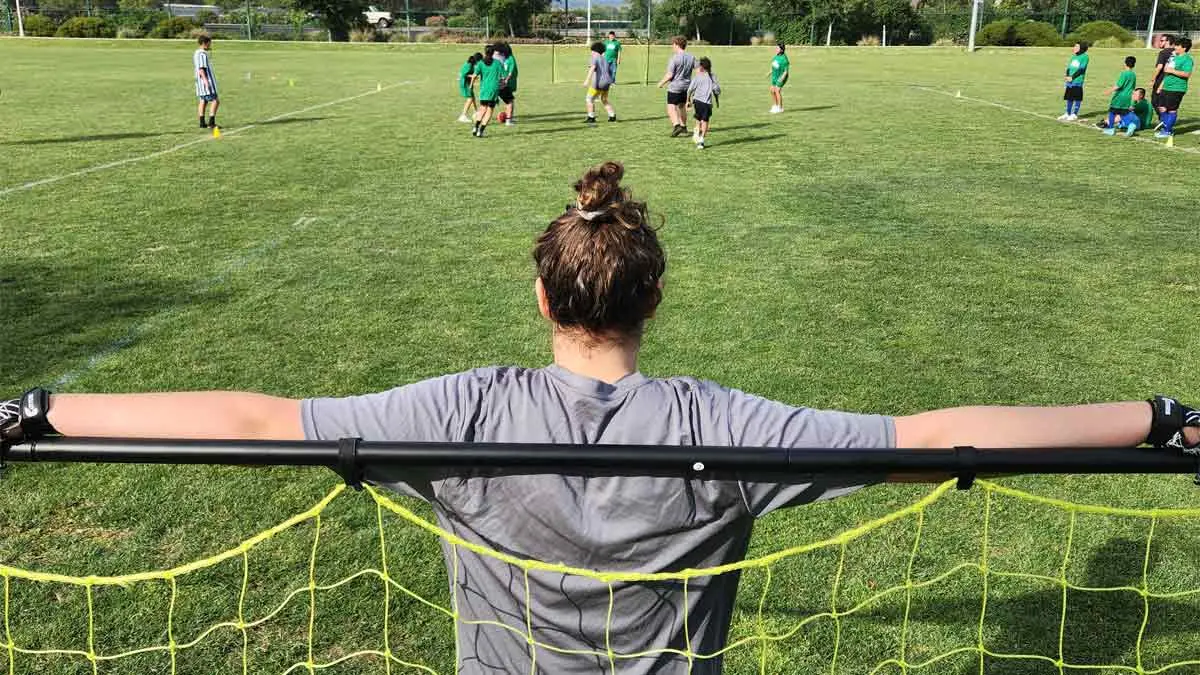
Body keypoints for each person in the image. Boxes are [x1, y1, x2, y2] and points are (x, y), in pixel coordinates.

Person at [4, 161, 1200, 675]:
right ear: (656, 298)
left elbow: (259, 418)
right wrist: (1152, 418)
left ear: (541, 293)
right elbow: (937, 434)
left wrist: (47, 408)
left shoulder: (463, 408)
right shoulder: (722, 423)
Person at [657, 36, 696, 137]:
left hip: (675, 87)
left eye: (673, 44)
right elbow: (698, 68)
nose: (672, 46)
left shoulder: (674, 58)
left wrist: (661, 83)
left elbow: (670, 75)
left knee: (671, 107)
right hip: (687, 87)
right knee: (682, 106)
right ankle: (683, 127)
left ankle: (676, 125)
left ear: (677, 45)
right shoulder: (691, 57)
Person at [1156, 37, 1193, 139]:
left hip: (1177, 88)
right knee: (1161, 108)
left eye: (1177, 45)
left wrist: (1172, 71)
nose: (1175, 47)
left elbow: (1187, 74)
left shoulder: (1187, 59)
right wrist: (1161, 86)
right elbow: (1167, 72)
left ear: (1184, 48)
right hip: (1166, 87)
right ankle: (1168, 128)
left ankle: (1167, 131)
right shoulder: (1173, 57)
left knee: (1172, 110)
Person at [687, 57, 720, 149]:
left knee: (698, 119)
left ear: (701, 67)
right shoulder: (713, 77)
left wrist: (688, 100)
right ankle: (701, 140)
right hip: (707, 103)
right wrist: (717, 98)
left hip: (697, 101)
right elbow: (717, 90)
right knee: (705, 120)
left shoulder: (698, 76)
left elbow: (689, 90)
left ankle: (696, 133)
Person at [471, 45, 502, 138]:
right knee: (489, 111)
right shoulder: (497, 63)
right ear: (493, 53)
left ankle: (475, 127)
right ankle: (481, 131)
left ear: (485, 52)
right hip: (493, 90)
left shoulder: (480, 63)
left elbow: (474, 75)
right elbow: (503, 75)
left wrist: (471, 85)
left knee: (482, 108)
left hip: (484, 90)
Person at [1101, 56, 1137, 135]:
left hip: (1119, 97)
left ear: (1125, 63)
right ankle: (1131, 125)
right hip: (1128, 97)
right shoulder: (1133, 75)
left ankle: (1111, 129)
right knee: (1124, 113)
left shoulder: (1124, 73)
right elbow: (1133, 88)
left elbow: (1118, 85)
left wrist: (1108, 91)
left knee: (1112, 112)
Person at [584, 41, 616, 124]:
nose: (591, 52)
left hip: (598, 83)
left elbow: (592, 68)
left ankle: (591, 117)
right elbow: (608, 70)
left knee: (589, 99)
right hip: (607, 82)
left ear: (594, 50)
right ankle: (612, 116)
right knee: (604, 99)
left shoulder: (594, 57)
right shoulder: (604, 58)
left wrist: (587, 80)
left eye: (591, 51)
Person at [1059, 41, 1089, 121]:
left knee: (1077, 97)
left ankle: (1074, 114)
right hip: (1070, 80)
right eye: (1074, 46)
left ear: (1081, 48)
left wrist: (1072, 77)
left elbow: (1081, 69)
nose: (1074, 48)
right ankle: (1067, 113)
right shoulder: (1073, 57)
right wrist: (1067, 76)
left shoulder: (1085, 57)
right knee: (1069, 97)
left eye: (1076, 47)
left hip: (1077, 80)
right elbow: (1069, 68)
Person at [193, 35, 219, 130]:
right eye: (209, 43)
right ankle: (211, 123)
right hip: (206, 82)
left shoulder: (197, 53)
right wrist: (206, 81)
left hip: (200, 83)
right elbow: (201, 69)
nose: (210, 45)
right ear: (205, 43)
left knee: (203, 100)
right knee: (215, 101)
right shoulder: (202, 54)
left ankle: (202, 123)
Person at [1150, 34, 1176, 126]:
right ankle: (1166, 119)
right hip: (1172, 80)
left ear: (1168, 42)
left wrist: (1153, 78)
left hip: (1161, 80)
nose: (1160, 42)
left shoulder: (1163, 52)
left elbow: (1159, 67)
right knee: (1167, 102)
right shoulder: (1177, 52)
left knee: (1155, 101)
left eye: (1162, 40)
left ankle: (1163, 119)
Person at [496, 42, 518, 126]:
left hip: (503, 82)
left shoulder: (505, 58)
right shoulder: (510, 58)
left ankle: (510, 117)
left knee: (508, 100)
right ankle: (509, 120)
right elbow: (510, 72)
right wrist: (506, 80)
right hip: (505, 83)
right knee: (510, 101)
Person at [457, 52, 482, 123]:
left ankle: (476, 112)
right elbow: (463, 75)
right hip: (464, 84)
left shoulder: (471, 64)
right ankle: (463, 116)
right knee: (470, 98)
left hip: (467, 83)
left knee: (472, 97)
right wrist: (473, 76)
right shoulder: (469, 65)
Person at [768, 42, 789, 114]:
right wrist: (770, 72)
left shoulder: (784, 59)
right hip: (775, 76)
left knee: (777, 90)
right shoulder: (776, 56)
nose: (776, 49)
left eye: (777, 48)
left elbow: (786, 71)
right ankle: (775, 106)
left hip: (781, 76)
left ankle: (780, 108)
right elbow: (773, 65)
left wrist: (782, 78)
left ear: (782, 50)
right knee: (772, 90)